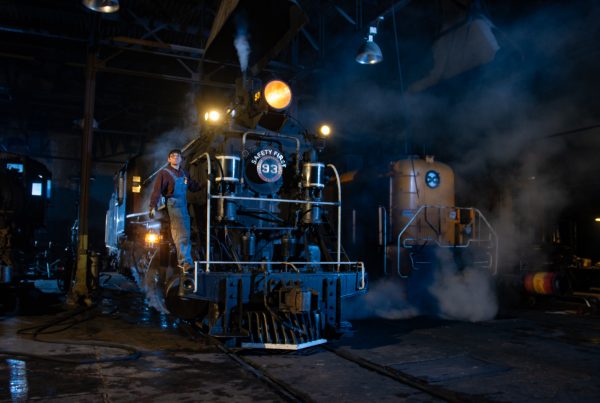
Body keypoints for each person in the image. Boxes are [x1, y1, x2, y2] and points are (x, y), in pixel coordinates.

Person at [149, 149, 200, 271]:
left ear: (181, 159)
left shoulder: (184, 174)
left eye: (178, 156)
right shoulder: (164, 173)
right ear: (169, 159)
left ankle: (187, 261)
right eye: (173, 156)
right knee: (180, 233)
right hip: (173, 204)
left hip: (183, 204)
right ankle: (184, 263)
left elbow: (193, 187)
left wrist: (206, 182)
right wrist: (152, 207)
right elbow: (157, 191)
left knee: (186, 233)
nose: (175, 158)